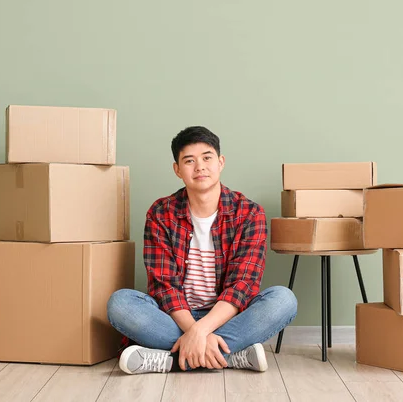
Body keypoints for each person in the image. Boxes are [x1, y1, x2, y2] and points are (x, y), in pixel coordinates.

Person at [107, 126, 297, 375]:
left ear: (220, 162)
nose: (200, 167)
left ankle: (171, 360)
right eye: (189, 160)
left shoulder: (249, 213)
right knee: (120, 303)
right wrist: (193, 329)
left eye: (207, 158)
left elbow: (242, 285)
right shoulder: (161, 213)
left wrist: (201, 330)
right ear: (177, 169)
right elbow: (163, 286)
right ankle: (230, 356)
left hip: (227, 317)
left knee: (284, 300)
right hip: (174, 318)